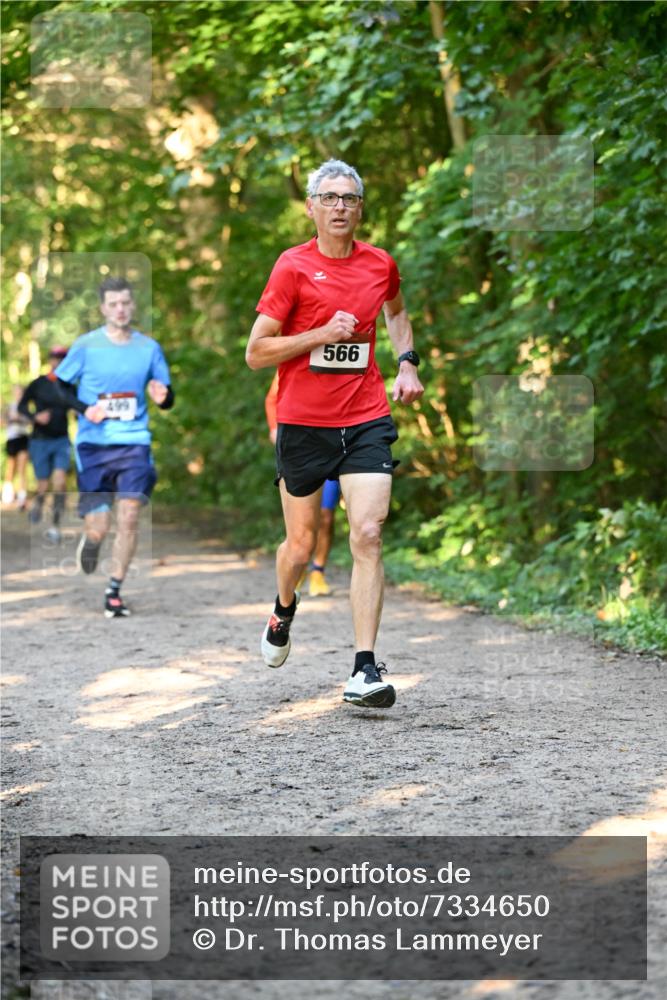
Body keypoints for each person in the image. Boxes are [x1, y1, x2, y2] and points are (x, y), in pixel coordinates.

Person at [246, 158, 423, 709]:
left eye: (349, 198)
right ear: (312, 207)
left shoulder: (380, 264)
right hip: (303, 423)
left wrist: (408, 362)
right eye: (330, 198)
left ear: (360, 207)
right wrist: (321, 331)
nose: (340, 206)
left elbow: (396, 313)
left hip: (366, 415)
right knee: (299, 545)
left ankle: (364, 669)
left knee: (367, 533)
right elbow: (256, 352)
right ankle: (283, 606)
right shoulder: (292, 267)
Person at [52, 276, 174, 618]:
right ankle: (92, 540)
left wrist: (162, 398)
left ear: (132, 305)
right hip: (93, 445)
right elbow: (58, 387)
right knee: (100, 525)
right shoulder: (86, 346)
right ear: (103, 308)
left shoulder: (149, 348)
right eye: (113, 304)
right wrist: (83, 409)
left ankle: (114, 589)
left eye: (125, 303)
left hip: (134, 442)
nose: (120, 309)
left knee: (130, 515)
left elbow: (166, 394)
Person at [265, 371, 339, 597]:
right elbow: (272, 398)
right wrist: (274, 427)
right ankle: (299, 569)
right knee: (301, 522)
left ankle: (318, 572)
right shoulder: (294, 359)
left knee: (326, 516)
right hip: (303, 445)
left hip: (338, 445)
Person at [18, 345, 72, 541]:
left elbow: (80, 406)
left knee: (60, 482)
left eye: (62, 359)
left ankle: (56, 525)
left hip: (61, 440)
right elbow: (21, 406)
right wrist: (35, 417)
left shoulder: (69, 385)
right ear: (50, 360)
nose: (58, 362)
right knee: (43, 484)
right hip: (40, 440)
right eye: (55, 358)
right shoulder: (38, 384)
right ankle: (39, 502)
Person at [2, 386, 30, 508]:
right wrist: (8, 418)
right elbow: (2, 422)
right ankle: (7, 494)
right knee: (11, 467)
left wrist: (20, 418)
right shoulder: (9, 407)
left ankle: (22, 497)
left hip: (23, 438)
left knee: (22, 468)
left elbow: (30, 421)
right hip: (12, 439)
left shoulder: (25, 407)